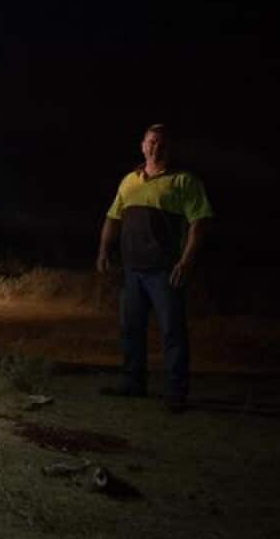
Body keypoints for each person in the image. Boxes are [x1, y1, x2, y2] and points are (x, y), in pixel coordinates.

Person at [96, 124, 214, 413]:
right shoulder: (129, 181)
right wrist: (103, 251)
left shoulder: (184, 182)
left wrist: (186, 261)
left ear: (169, 148)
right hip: (132, 270)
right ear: (142, 145)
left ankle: (176, 392)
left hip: (164, 271)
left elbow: (200, 223)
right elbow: (113, 218)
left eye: (160, 143)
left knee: (172, 331)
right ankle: (133, 383)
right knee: (131, 329)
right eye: (151, 142)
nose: (155, 148)